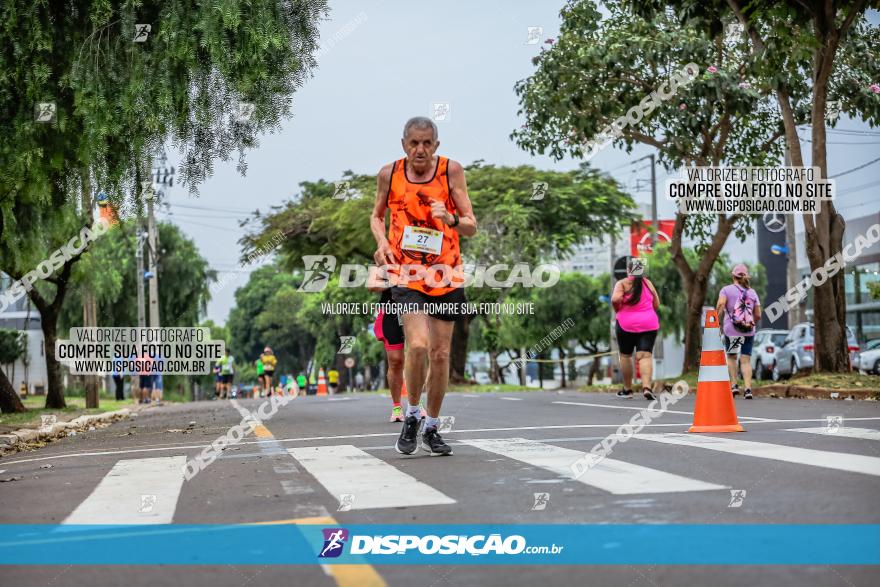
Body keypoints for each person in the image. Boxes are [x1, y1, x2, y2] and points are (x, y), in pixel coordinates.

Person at [371, 116, 477, 456]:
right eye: (414, 143)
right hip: (407, 273)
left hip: (445, 273)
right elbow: (376, 216)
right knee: (416, 346)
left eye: (426, 143)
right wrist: (382, 242)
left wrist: (451, 219)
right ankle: (412, 414)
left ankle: (432, 426)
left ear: (436, 145)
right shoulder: (390, 173)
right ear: (403, 144)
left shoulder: (451, 171)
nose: (420, 149)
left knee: (441, 353)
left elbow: (471, 225)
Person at [611, 260, 661, 400]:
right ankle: (647, 387)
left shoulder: (622, 284)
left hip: (626, 323)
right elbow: (656, 303)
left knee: (626, 356)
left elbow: (615, 299)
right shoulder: (647, 283)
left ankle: (628, 390)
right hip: (648, 324)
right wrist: (647, 313)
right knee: (645, 356)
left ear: (628, 271)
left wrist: (618, 310)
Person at [716, 263, 761, 399]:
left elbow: (720, 305)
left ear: (733, 276)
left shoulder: (726, 290)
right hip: (748, 331)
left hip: (732, 331)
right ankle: (748, 389)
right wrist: (749, 323)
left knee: (732, 357)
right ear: (746, 277)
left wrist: (717, 322)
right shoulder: (752, 292)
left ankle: (734, 385)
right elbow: (758, 315)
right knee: (746, 359)